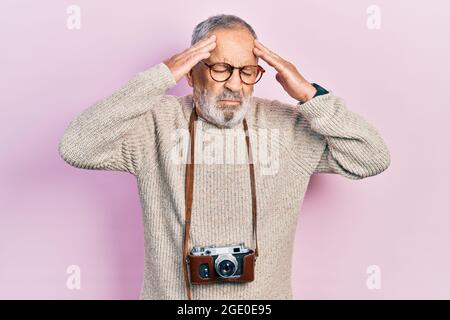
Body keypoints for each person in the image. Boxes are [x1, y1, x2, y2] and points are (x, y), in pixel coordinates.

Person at [58, 14, 391, 300]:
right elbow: (77, 146)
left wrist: (309, 94)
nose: (235, 84)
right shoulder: (154, 123)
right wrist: (160, 77)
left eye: (248, 71)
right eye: (221, 68)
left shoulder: (288, 125)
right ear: (191, 73)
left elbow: (371, 157)